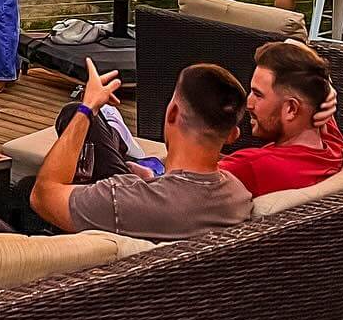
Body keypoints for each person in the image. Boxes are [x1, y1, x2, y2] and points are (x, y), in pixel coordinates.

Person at [30, 57, 252, 239]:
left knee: (23, 192)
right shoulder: (238, 196)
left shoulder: (123, 200)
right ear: (233, 135)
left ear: (173, 113)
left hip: (66, 285)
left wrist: (87, 108)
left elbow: (42, 196)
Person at [219, 40, 343, 197]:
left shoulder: (251, 167)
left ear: (291, 109)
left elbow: (187, 180)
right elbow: (296, 47)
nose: (248, 104)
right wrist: (326, 86)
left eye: (258, 95)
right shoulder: (333, 144)